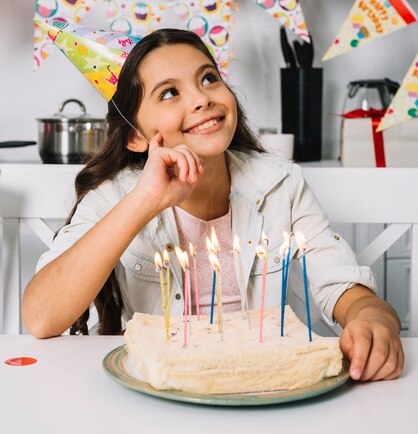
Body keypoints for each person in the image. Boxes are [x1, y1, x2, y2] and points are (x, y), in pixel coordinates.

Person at [23, 28, 404, 382]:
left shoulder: (281, 184)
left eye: (208, 78)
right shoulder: (114, 197)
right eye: (169, 93)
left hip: (260, 387)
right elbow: (41, 318)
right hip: (159, 395)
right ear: (136, 137)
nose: (202, 97)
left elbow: (340, 284)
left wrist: (372, 317)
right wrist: (144, 201)